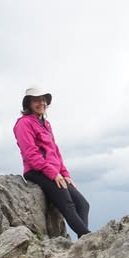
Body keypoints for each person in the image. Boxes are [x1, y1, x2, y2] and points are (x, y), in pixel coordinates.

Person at [14, 85, 91, 238]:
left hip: (54, 172)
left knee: (83, 204)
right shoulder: (23, 123)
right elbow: (31, 154)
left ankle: (84, 240)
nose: (41, 103)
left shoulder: (46, 124)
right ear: (28, 103)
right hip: (37, 171)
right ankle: (89, 238)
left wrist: (64, 174)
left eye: (43, 100)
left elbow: (55, 152)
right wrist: (53, 174)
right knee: (67, 204)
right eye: (36, 100)